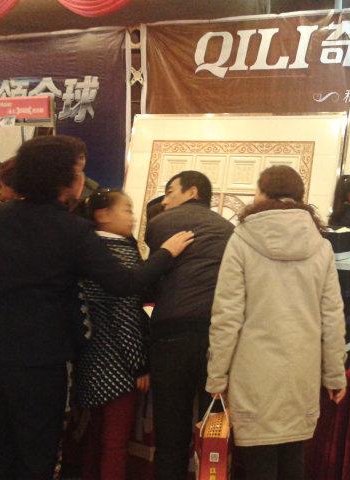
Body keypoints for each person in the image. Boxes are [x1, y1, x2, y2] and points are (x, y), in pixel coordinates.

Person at [0, 136, 194, 480]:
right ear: (63, 179)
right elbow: (124, 284)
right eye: (79, 170)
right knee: (37, 451)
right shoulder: (73, 230)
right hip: (42, 358)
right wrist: (166, 253)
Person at [207, 165, 347, 480]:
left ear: (263, 195)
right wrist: (335, 374)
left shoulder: (242, 239)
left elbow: (227, 315)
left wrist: (216, 377)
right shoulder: (321, 245)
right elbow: (332, 316)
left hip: (252, 372)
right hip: (302, 371)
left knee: (257, 463)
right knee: (293, 457)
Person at [144, 170, 234, 480]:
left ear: (192, 191)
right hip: (215, 336)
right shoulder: (229, 229)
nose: (165, 201)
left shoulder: (161, 223)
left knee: (170, 431)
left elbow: (152, 278)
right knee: (212, 430)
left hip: (171, 335)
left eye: (170, 192)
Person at [75, 189, 153, 480]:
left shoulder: (85, 249)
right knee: (115, 443)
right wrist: (139, 365)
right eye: (127, 210)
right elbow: (125, 317)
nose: (132, 217)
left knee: (92, 436)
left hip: (88, 358)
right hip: (118, 365)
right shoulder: (121, 253)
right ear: (103, 215)